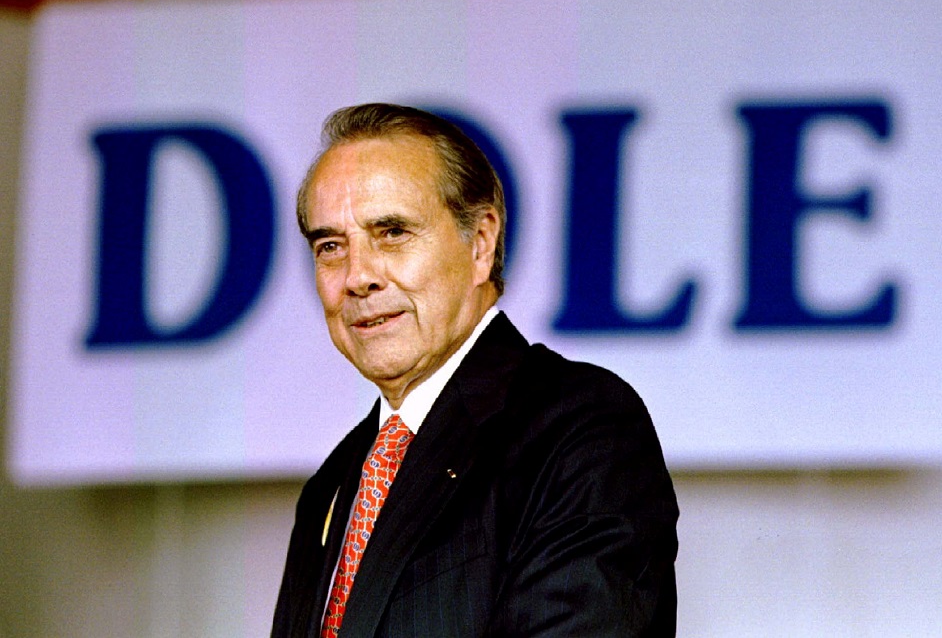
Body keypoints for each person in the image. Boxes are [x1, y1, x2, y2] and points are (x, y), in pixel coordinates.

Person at [271, 103, 679, 637]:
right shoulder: (332, 483)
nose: (358, 276)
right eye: (330, 246)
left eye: (392, 232)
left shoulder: (579, 427)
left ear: (480, 243)